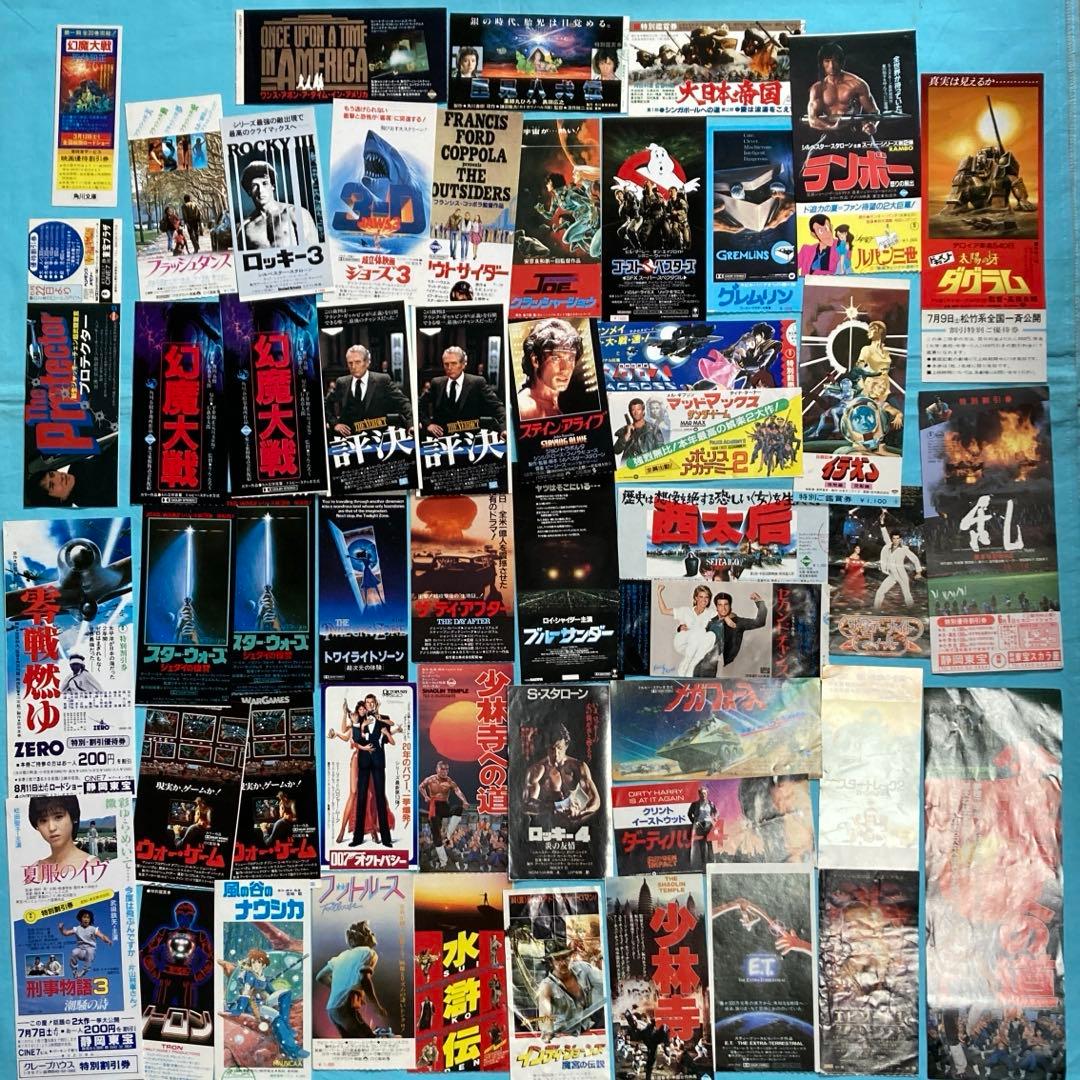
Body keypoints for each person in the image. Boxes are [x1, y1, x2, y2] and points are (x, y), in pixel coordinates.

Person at [315, 920, 389, 1038]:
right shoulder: (368, 952)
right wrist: (376, 1006)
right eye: (369, 932)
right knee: (368, 1040)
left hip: (332, 1010)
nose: (373, 934)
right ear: (363, 937)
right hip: (346, 1008)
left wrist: (339, 987)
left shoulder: (340, 956)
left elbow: (320, 977)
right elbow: (365, 980)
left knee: (350, 1042)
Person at [523, 724, 601, 831]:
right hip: (548, 825)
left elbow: (595, 800)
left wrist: (581, 812)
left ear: (566, 746)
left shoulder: (578, 767)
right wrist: (553, 807)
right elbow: (526, 804)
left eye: (559, 748)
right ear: (546, 747)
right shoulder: (536, 770)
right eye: (552, 749)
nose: (556, 753)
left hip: (576, 824)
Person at [325, 344, 412, 437]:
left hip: (377, 437)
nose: (353, 366)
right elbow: (326, 404)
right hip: (349, 438)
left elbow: (403, 402)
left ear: (367, 363)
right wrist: (335, 424)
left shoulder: (382, 380)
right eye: (350, 363)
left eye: (357, 362)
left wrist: (412, 424)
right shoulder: (342, 382)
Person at [418, 346, 506, 437]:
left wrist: (505, 428)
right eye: (446, 364)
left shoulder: (477, 383)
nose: (449, 368)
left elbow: (497, 407)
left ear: (463, 364)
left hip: (470, 438)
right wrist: (428, 424)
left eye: (454, 363)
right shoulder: (437, 383)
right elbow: (419, 405)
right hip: (441, 438)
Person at [806, 41, 879, 138]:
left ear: (841, 62)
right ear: (822, 63)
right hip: (829, 134)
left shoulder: (857, 84)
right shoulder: (817, 88)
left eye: (835, 61)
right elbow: (812, 119)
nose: (831, 66)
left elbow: (874, 112)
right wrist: (832, 127)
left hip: (854, 133)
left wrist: (871, 125)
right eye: (827, 61)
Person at [239, 159, 318, 250]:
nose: (260, 190)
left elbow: (314, 252)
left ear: (273, 186)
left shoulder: (296, 213)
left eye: (265, 183)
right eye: (254, 186)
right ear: (249, 191)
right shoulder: (245, 228)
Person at [350, 695, 395, 849]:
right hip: (363, 762)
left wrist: (381, 722)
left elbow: (387, 739)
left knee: (380, 798)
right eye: (367, 702)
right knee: (361, 798)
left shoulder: (384, 719)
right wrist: (360, 726)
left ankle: (386, 839)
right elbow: (356, 739)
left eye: (372, 702)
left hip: (378, 762)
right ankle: (357, 838)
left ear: (375, 704)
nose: (369, 705)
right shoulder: (359, 718)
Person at [516, 318, 583, 420]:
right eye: (555, 358)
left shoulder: (561, 403)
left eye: (570, 359)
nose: (566, 369)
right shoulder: (524, 407)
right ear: (535, 360)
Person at [536, 944, 605, 1039]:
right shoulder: (547, 986)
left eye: (565, 957)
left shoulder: (583, 968)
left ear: (571, 957)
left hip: (590, 1026)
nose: (563, 963)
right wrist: (548, 1032)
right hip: (565, 1034)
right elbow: (545, 1015)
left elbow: (604, 983)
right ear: (551, 963)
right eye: (557, 959)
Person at [695, 590, 768, 676]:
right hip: (701, 665)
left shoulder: (738, 622)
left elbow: (760, 622)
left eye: (726, 604)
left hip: (725, 667)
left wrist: (759, 602)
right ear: (716, 607)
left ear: (730, 606)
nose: (723, 608)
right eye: (720, 605)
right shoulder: (711, 621)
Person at [419, 761, 470, 868]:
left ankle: (448, 835)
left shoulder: (449, 781)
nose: (444, 771)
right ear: (437, 769)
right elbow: (421, 787)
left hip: (444, 806)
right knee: (436, 836)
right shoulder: (430, 779)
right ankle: (443, 861)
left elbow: (458, 791)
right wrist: (425, 796)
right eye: (442, 769)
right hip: (434, 807)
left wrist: (464, 801)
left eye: (446, 769)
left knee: (458, 809)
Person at [656, 583, 714, 676]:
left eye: (706, 597)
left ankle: (692, 667)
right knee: (700, 632)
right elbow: (664, 611)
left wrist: (727, 618)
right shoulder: (685, 611)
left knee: (710, 635)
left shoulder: (711, 613)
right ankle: (685, 665)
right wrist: (659, 593)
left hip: (696, 646)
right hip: (682, 642)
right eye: (701, 597)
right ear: (696, 598)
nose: (704, 600)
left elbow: (725, 613)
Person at [29, 794, 94, 870]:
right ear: (37, 826)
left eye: (58, 817)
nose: (51, 828)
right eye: (43, 821)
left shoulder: (91, 865)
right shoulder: (35, 868)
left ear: (73, 818)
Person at [875, 511, 923, 609]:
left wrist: (918, 572)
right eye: (894, 538)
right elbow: (884, 534)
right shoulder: (888, 546)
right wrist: (882, 522)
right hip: (892, 575)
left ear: (900, 539)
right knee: (880, 592)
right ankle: (876, 609)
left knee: (907, 594)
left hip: (901, 574)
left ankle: (912, 610)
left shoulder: (904, 549)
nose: (896, 540)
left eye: (897, 538)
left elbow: (914, 559)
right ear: (892, 539)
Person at [59, 909, 111, 977]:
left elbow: (102, 936)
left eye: (88, 918)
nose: (86, 919)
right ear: (81, 918)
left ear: (90, 919)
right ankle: (74, 970)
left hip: (90, 951)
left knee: (90, 951)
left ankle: (84, 970)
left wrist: (108, 940)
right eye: (84, 917)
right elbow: (66, 933)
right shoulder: (77, 929)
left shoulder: (93, 929)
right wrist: (61, 928)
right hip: (81, 950)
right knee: (74, 952)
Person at [686, 786, 717, 869]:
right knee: (702, 845)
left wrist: (714, 819)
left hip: (709, 825)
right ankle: (704, 864)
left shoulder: (711, 803)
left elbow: (715, 812)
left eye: (705, 793)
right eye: (701, 793)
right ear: (699, 794)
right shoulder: (695, 804)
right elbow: (689, 814)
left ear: (707, 794)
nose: (703, 795)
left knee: (709, 844)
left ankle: (712, 862)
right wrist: (694, 822)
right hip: (700, 825)